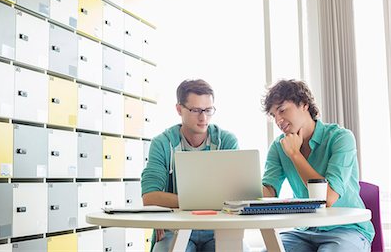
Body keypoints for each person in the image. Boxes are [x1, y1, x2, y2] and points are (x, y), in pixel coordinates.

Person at [261, 79, 374, 252]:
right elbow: (269, 194)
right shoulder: (279, 146)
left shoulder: (340, 138)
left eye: (282, 110)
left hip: (346, 229)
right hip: (305, 230)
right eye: (273, 115)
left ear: (304, 104)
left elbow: (327, 198)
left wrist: (295, 154)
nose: (278, 120)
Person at [141, 79, 239, 252]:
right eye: (195, 110)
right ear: (179, 109)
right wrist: (207, 202)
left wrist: (179, 202)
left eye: (208, 110)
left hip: (220, 229)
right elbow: (149, 198)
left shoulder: (226, 141)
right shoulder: (162, 143)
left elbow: (238, 196)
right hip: (176, 228)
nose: (203, 117)